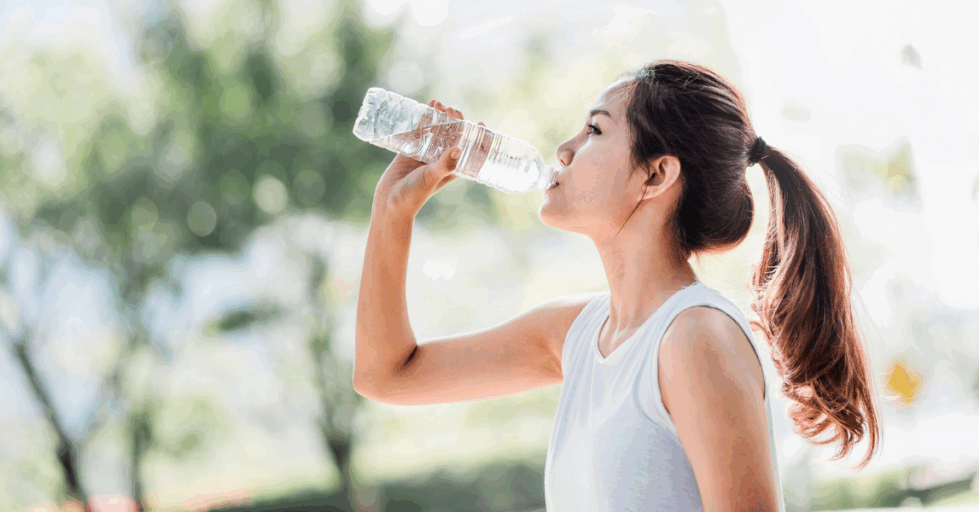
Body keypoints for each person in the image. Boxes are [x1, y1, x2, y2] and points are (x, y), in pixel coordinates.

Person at [353, 59, 883, 511]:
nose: (563, 149)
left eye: (595, 131)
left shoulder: (695, 340)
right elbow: (387, 375)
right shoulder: (576, 334)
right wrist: (391, 213)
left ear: (656, 175)